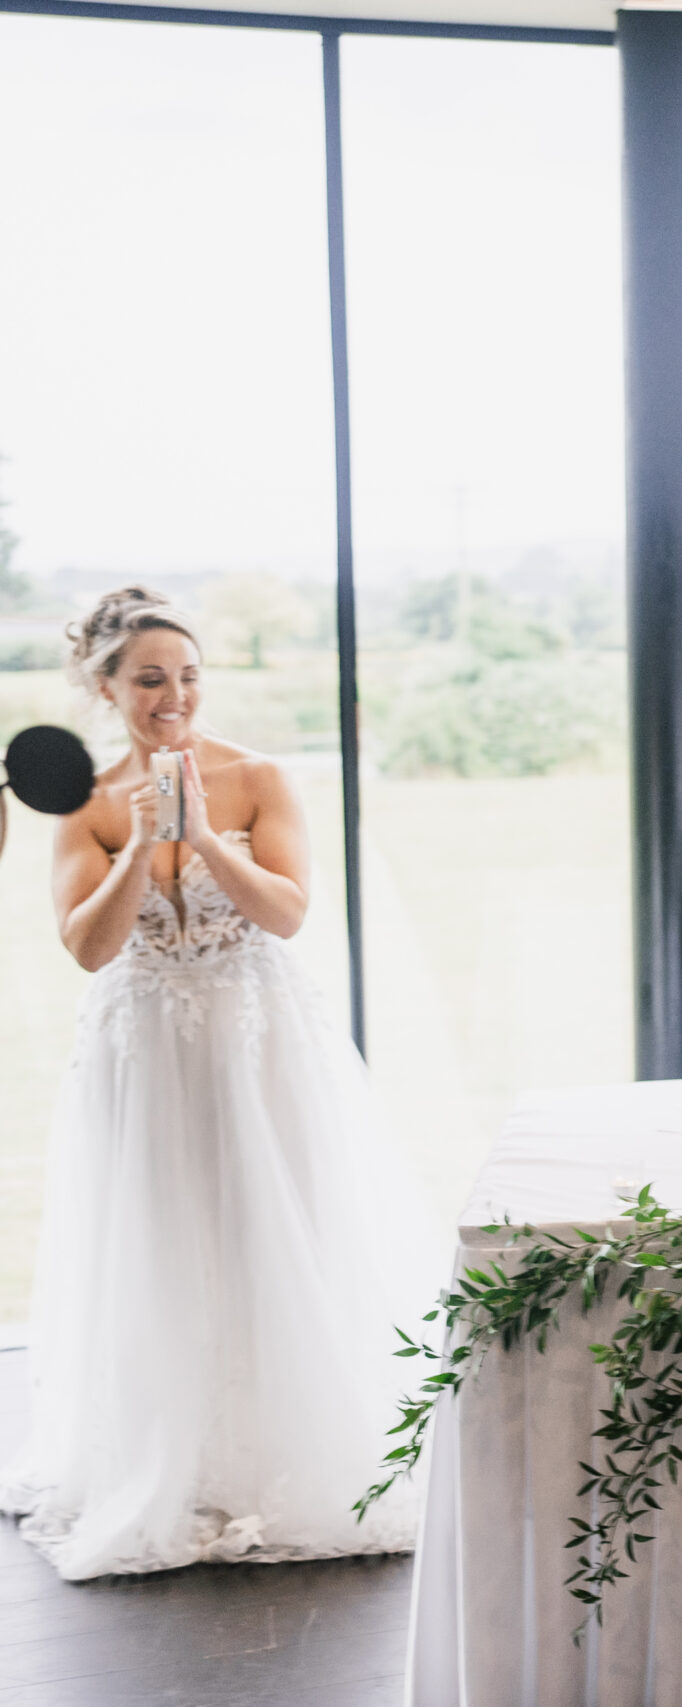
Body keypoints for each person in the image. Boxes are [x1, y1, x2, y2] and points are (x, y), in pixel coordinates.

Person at [1, 587, 436, 1581]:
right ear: (107, 689)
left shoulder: (259, 777)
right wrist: (143, 845)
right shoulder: (84, 804)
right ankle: (172, 1457)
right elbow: (87, 946)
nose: (174, 695)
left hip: (258, 1038)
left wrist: (198, 835)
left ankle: (289, 1453)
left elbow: (286, 914)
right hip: (144, 1048)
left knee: (274, 1224)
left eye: (188, 676)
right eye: (150, 678)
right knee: (163, 1236)